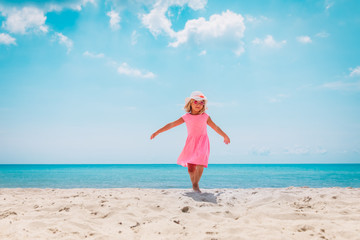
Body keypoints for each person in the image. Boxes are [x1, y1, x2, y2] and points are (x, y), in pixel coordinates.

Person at [150, 91, 230, 192]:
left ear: (203, 105)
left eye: (201, 103)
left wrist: (225, 136)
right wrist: (157, 132)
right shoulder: (186, 117)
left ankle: (196, 184)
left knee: (200, 162)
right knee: (191, 168)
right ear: (190, 104)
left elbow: (216, 127)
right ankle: (194, 184)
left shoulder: (205, 116)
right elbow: (171, 124)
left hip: (203, 141)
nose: (198, 104)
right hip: (191, 143)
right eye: (195, 102)